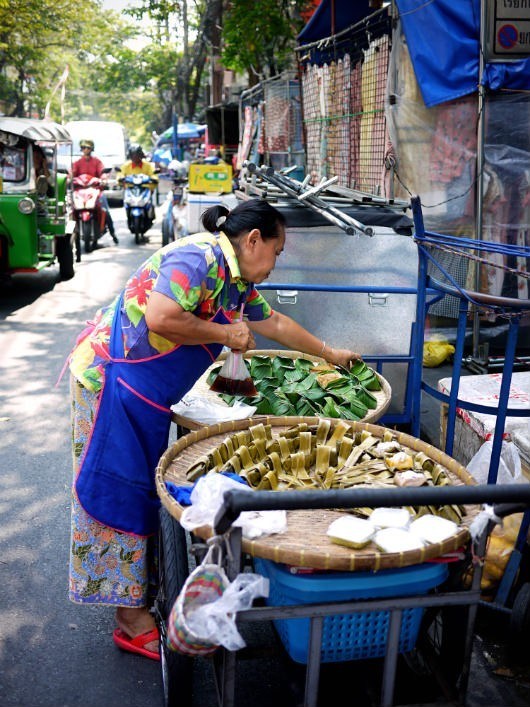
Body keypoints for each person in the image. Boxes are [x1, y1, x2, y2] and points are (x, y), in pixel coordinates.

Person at [67, 199, 362, 661]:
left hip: (145, 392)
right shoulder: (198, 258)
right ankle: (128, 618)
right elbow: (162, 317)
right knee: (118, 490)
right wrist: (226, 336)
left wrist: (330, 353)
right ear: (253, 240)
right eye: (278, 251)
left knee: (144, 490)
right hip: (113, 382)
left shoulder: (237, 281)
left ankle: (138, 593)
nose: (276, 263)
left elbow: (276, 322)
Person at [72, 139, 118, 244]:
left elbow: (102, 173)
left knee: (105, 210)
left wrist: (103, 179)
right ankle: (72, 234)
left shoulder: (97, 162)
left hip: (95, 190)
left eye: (88, 148)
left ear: (91, 149)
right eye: (83, 148)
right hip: (80, 192)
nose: (85, 150)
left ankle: (113, 233)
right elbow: (72, 174)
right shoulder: (77, 163)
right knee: (71, 210)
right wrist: (69, 179)